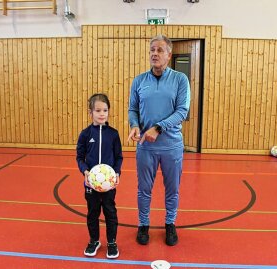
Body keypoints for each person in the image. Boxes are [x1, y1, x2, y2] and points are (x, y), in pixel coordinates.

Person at [128, 34, 191, 246]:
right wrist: (135, 125)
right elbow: (133, 109)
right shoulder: (139, 81)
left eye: (160, 50)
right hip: (145, 147)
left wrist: (158, 127)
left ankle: (170, 224)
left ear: (169, 54)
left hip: (171, 146)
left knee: (172, 188)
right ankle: (143, 224)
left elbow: (182, 111)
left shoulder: (180, 80)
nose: (154, 54)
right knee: (144, 189)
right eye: (152, 50)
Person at [76, 93, 123, 258]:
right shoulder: (85, 134)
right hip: (91, 185)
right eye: (97, 110)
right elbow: (79, 157)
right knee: (92, 213)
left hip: (109, 184)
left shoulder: (114, 134)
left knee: (110, 212)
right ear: (91, 113)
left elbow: (118, 157)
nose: (102, 113)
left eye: (105, 110)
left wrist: (117, 173)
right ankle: (94, 240)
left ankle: (111, 242)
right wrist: (85, 171)